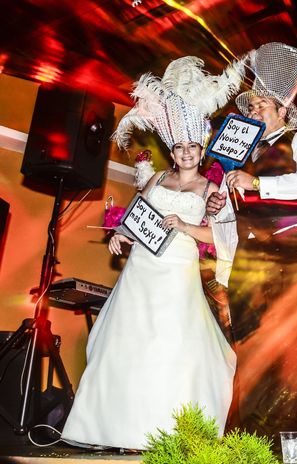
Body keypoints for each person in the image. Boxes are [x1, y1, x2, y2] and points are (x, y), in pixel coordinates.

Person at [61, 56, 246, 450]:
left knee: (170, 343)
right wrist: (121, 236)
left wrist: (183, 225)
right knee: (129, 340)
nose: (185, 153)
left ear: (200, 149)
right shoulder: (159, 178)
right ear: (173, 150)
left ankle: (165, 430)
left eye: (192, 147)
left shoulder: (210, 191)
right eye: (178, 147)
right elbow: (134, 215)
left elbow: (214, 236)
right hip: (142, 269)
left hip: (177, 270)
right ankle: (109, 429)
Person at [206, 42, 297, 434]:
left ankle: (281, 439)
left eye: (261, 107)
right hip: (250, 261)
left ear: (282, 110)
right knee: (249, 348)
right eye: (250, 107)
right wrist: (221, 203)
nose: (253, 113)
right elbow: (233, 207)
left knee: (286, 351)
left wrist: (258, 182)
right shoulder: (241, 152)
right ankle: (247, 439)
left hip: (292, 259)